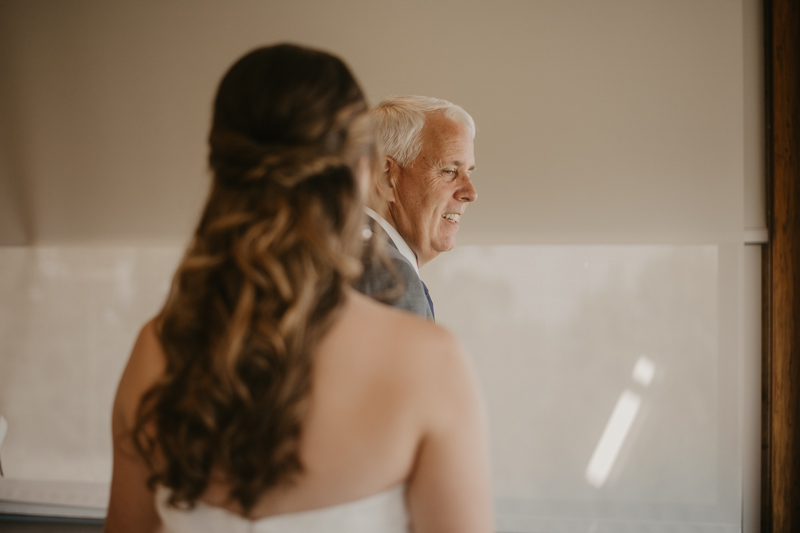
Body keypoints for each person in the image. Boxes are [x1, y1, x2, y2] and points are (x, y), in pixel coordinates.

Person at [104, 44, 493, 533]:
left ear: (221, 170)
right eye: (450, 170)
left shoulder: (157, 354)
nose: (469, 191)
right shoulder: (428, 362)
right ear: (365, 171)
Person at [354, 96, 478, 320]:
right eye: (449, 171)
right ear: (385, 177)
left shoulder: (354, 254)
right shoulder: (388, 274)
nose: (470, 193)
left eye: (469, 173)